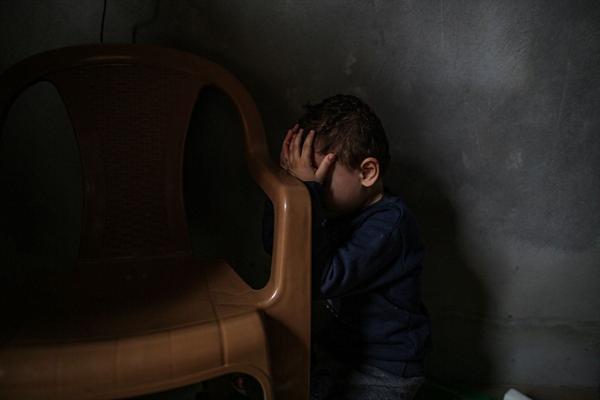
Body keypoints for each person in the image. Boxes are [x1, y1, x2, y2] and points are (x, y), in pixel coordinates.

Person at [263, 94, 431, 400]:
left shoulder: (392, 226)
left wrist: (309, 194)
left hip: (383, 373)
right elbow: (275, 249)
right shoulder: (336, 209)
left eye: (320, 179)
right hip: (337, 355)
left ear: (367, 172)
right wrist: (291, 191)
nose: (312, 187)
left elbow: (318, 280)